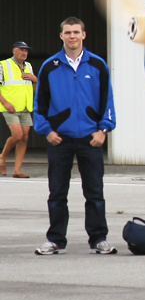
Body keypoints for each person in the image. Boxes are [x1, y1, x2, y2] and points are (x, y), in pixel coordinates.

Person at [33, 17, 116, 255]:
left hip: (91, 138)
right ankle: (55, 239)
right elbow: (39, 104)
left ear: (84, 35)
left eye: (76, 32)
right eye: (67, 32)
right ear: (61, 36)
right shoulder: (50, 66)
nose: (72, 36)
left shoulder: (98, 65)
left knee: (95, 193)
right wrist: (47, 131)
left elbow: (107, 100)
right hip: (61, 140)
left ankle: (99, 239)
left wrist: (104, 129)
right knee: (57, 192)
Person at [1, 40, 37, 178]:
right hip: (10, 106)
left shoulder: (28, 66)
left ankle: (17, 170)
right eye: (21, 50)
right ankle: (2, 157)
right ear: (14, 51)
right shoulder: (3, 65)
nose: (24, 53)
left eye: (26, 50)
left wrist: (35, 80)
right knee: (17, 135)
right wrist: (6, 103)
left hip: (25, 106)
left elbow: (34, 89)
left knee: (24, 137)